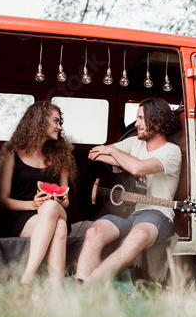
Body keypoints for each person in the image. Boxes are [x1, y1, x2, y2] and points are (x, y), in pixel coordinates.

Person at [76, 98, 181, 283]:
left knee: (137, 237)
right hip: (127, 212)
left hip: (157, 213)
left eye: (141, 118)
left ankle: (88, 286)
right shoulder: (134, 144)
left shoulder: (172, 152)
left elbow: (139, 168)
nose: (137, 124)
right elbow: (94, 154)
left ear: (156, 121)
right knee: (94, 232)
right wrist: (127, 168)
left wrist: (119, 155)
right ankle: (81, 280)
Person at [0, 102, 77, 287]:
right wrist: (33, 205)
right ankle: (55, 289)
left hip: (56, 209)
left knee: (51, 208)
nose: (59, 127)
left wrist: (58, 201)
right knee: (60, 227)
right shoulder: (11, 154)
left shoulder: (62, 156)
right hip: (21, 217)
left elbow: (66, 202)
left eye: (60, 122)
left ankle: (27, 277)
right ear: (40, 122)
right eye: (55, 121)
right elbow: (2, 200)